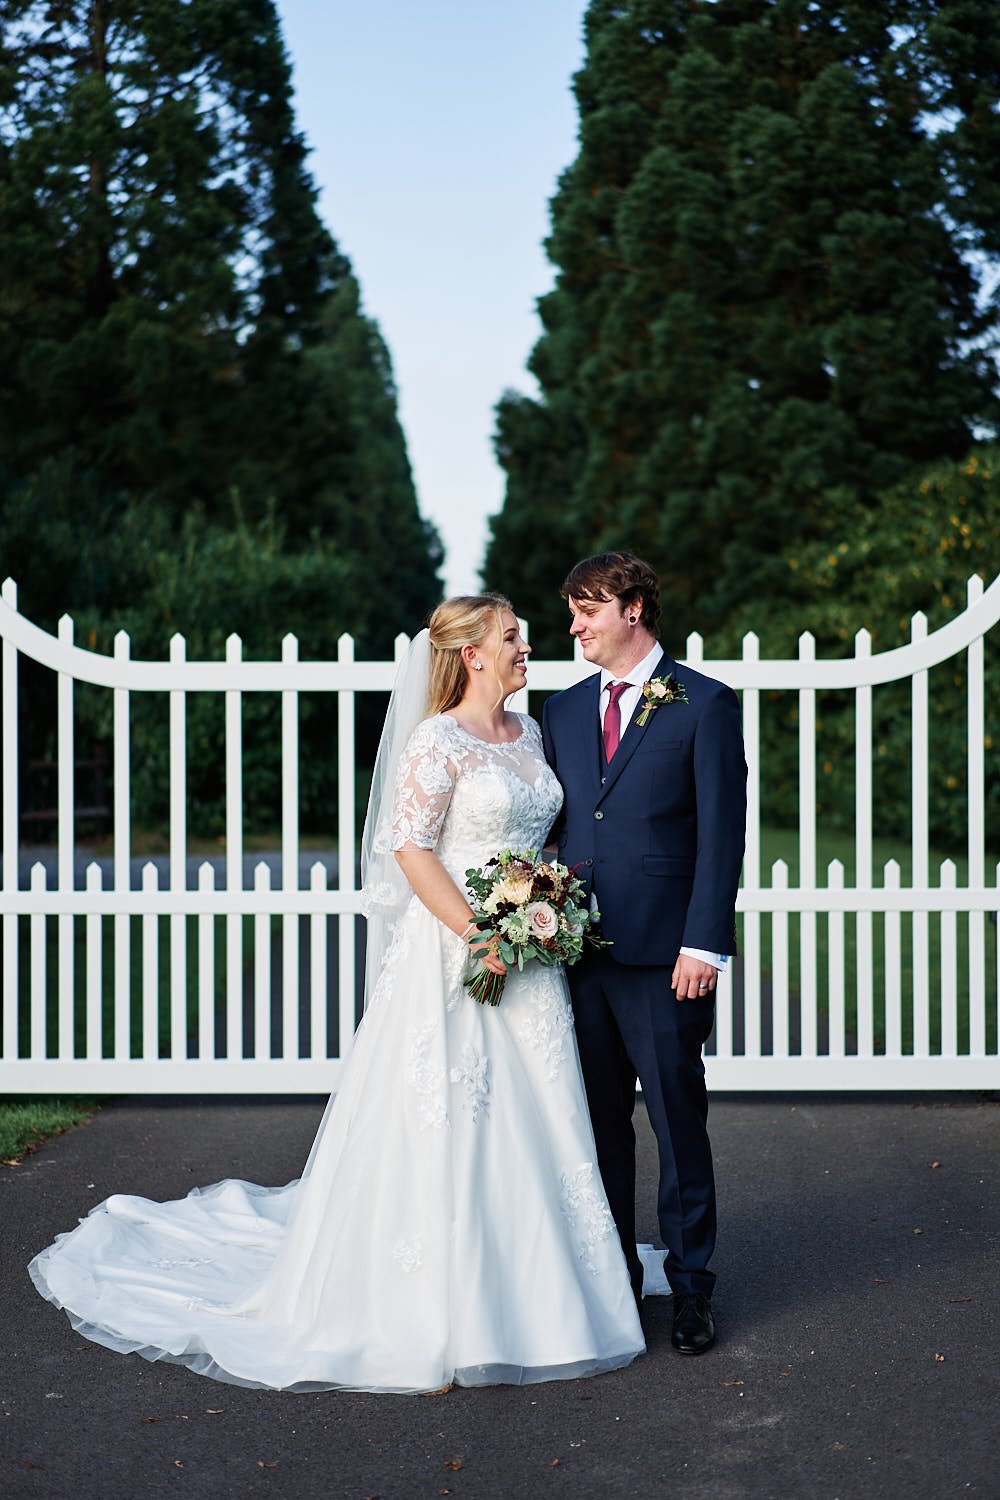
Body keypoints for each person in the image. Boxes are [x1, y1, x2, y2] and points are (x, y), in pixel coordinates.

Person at [28, 595, 645, 1393]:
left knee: (541, 1114)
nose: (529, 646)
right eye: (514, 636)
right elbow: (412, 850)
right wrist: (479, 934)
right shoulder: (436, 740)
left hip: (532, 959)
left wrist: (543, 898)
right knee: (450, 1114)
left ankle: (551, 1292)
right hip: (457, 953)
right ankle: (434, 1312)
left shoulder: (530, 733)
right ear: (473, 654)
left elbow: (542, 834)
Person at [542, 553, 747, 1356]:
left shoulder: (705, 704)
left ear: (632, 608)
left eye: (584, 609)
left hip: (668, 957)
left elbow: (721, 836)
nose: (573, 627)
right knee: (595, 1125)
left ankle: (693, 1290)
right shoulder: (559, 713)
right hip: (576, 955)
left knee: (675, 1119)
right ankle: (614, 1278)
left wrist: (704, 943)